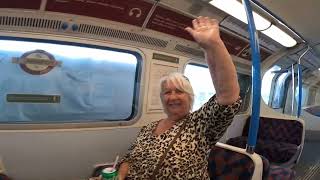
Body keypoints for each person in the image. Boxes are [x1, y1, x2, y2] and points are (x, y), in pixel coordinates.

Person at [117, 16, 241, 180]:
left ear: (189, 96)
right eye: (167, 92)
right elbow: (130, 158)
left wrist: (214, 45)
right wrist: (119, 176)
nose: (173, 97)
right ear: (162, 98)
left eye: (179, 91)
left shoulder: (200, 125)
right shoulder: (148, 128)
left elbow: (227, 97)